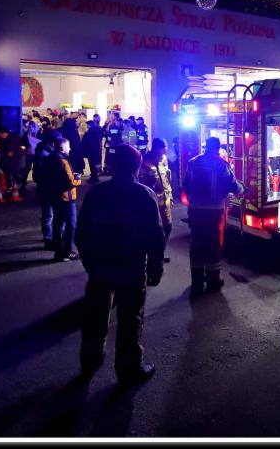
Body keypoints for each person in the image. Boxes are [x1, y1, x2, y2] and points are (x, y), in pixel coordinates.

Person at [76, 144, 164, 385]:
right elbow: (156, 236)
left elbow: (81, 233)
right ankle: (129, 368)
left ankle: (90, 360)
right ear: (137, 166)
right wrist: (156, 266)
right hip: (131, 267)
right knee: (130, 317)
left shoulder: (97, 194)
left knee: (95, 315)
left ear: (113, 165)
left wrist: (90, 264)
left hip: (101, 266)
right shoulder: (144, 195)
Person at [182, 136, 244, 296]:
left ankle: (197, 282)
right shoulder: (222, 164)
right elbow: (233, 185)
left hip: (195, 210)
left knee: (196, 243)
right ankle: (213, 281)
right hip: (214, 212)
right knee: (213, 244)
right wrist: (242, 189)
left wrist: (193, 200)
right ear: (218, 148)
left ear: (205, 147)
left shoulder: (193, 163)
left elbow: (185, 185)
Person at [46, 137, 82, 262]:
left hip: (55, 196)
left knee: (58, 223)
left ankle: (58, 251)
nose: (70, 148)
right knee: (71, 225)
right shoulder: (63, 162)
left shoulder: (49, 158)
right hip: (67, 197)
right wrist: (78, 180)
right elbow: (71, 181)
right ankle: (67, 252)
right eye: (68, 146)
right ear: (62, 148)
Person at [139, 137, 173, 263]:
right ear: (156, 148)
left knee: (168, 227)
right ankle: (151, 255)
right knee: (153, 230)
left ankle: (159, 252)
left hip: (166, 201)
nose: (166, 149)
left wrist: (170, 197)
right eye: (164, 147)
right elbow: (141, 182)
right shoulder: (145, 161)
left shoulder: (164, 159)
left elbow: (167, 179)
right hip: (153, 204)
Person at [35, 129, 61, 249]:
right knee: (49, 214)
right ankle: (48, 239)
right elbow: (42, 173)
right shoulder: (46, 153)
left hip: (47, 187)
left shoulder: (45, 150)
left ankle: (50, 237)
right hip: (48, 187)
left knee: (49, 214)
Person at [81, 119, 102, 184]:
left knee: (92, 165)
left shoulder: (90, 131)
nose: (87, 126)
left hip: (90, 151)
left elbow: (86, 141)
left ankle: (94, 178)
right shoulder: (96, 131)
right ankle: (94, 177)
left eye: (87, 125)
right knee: (93, 165)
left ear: (90, 125)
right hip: (95, 150)